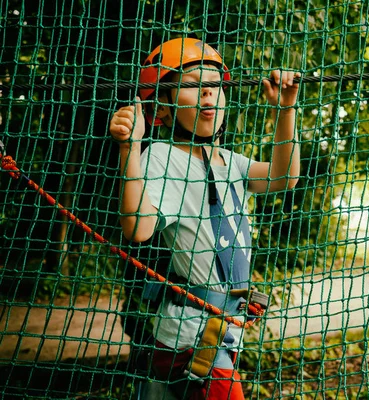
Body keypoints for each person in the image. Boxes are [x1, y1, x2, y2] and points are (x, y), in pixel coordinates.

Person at [109, 37, 300, 400]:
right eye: (193, 86)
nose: (208, 94)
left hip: (221, 329)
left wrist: (285, 111)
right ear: (162, 108)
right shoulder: (162, 157)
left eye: (214, 86)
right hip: (189, 335)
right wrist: (130, 149)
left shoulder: (231, 162)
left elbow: (283, 176)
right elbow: (138, 227)